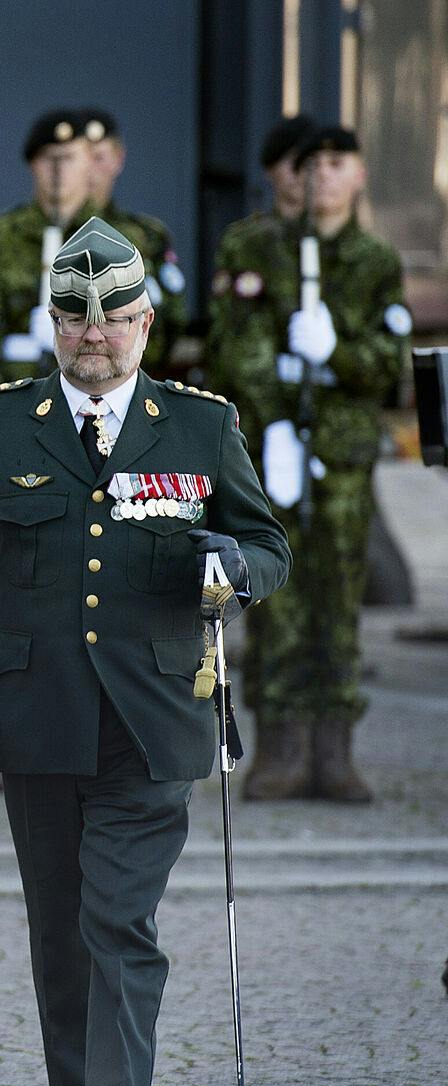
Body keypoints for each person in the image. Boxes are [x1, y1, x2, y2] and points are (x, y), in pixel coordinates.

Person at [0, 217, 289, 1086]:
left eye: (117, 319)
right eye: (76, 320)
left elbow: (269, 546)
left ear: (148, 321)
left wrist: (235, 566)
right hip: (35, 717)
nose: (96, 336)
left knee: (118, 918)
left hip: (159, 716)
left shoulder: (201, 425)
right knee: (59, 927)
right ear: (51, 322)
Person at [209, 126, 408, 801]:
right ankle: (282, 749)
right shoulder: (259, 248)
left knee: (339, 600)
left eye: (336, 164)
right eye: (310, 165)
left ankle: (335, 751)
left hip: (343, 455)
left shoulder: (375, 259)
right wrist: (279, 416)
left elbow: (389, 363)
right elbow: (236, 349)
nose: (320, 178)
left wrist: (335, 355)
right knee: (278, 598)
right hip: (276, 448)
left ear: (357, 175)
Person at [0, 109, 99, 395]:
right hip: (18, 394)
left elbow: (145, 337)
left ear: (89, 163)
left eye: (69, 158)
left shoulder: (115, 238)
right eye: (49, 159)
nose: (59, 171)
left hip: (95, 394)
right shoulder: (0, 236)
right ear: (33, 164)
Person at [204, 116, 317, 395]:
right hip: (258, 398)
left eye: (307, 162)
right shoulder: (245, 241)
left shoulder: (338, 243)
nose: (297, 172)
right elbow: (231, 329)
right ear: (270, 170)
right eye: (289, 161)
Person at [77, 109, 187, 373]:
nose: (90, 170)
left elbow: (171, 318)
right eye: (81, 158)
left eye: (99, 158)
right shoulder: (43, 231)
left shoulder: (148, 235)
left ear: (118, 159)